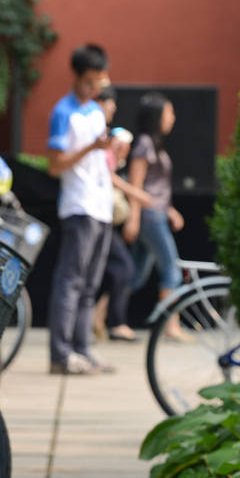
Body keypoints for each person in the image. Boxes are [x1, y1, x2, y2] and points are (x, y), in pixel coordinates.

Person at [46, 44, 116, 375]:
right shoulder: (64, 112)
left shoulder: (96, 112)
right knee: (71, 281)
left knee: (89, 285)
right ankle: (60, 355)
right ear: (77, 77)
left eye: (99, 82)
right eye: (90, 82)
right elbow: (54, 165)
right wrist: (91, 147)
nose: (95, 89)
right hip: (79, 205)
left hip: (101, 207)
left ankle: (82, 349)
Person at [124, 92, 189, 340]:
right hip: (148, 215)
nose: (172, 118)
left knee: (136, 275)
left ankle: (99, 315)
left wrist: (170, 209)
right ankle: (170, 325)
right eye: (168, 112)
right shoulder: (144, 143)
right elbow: (137, 183)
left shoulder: (154, 143)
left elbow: (156, 185)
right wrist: (134, 218)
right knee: (171, 267)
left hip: (156, 212)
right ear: (156, 116)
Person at [92, 85, 153, 341]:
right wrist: (137, 194)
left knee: (116, 270)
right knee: (121, 268)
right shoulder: (100, 142)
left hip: (102, 217)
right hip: (93, 215)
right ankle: (111, 321)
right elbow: (107, 178)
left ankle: (99, 317)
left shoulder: (106, 146)